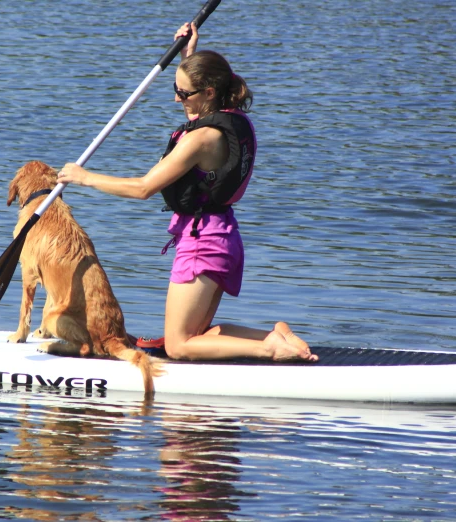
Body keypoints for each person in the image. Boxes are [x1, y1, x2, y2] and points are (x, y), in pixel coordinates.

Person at [58, 23, 317, 363]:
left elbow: (144, 188)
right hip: (224, 236)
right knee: (197, 337)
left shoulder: (200, 139)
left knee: (179, 346)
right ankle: (276, 335)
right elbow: (198, 96)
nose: (176, 98)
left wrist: (84, 177)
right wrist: (188, 55)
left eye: (183, 93)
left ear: (209, 92)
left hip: (203, 244)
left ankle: (268, 348)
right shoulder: (233, 116)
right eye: (175, 89)